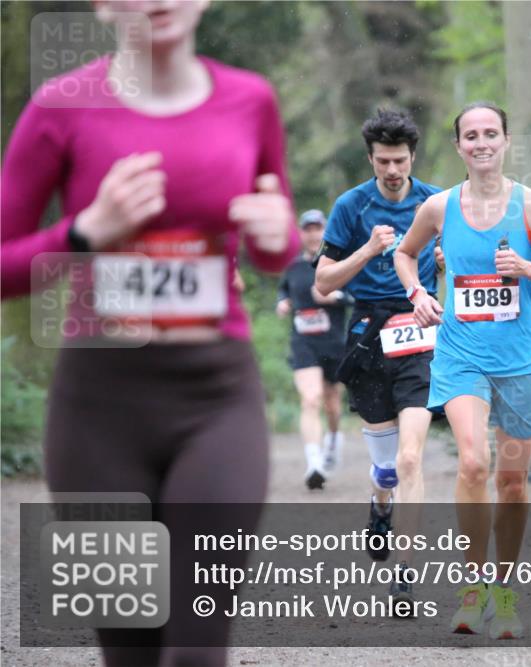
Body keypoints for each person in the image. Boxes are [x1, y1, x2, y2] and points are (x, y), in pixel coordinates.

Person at [0, 2, 298, 665]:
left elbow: (274, 240)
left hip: (216, 400)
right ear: (104, 5)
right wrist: (80, 232)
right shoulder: (59, 108)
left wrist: (276, 240)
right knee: (130, 650)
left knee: (196, 644)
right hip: (97, 411)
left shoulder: (251, 100)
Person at [395, 102, 531, 639]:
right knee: (474, 464)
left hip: (519, 361)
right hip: (460, 357)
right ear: (458, 147)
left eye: (491, 134)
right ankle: (472, 588)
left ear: (505, 141)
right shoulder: (438, 207)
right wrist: (416, 293)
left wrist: (527, 268)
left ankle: (504, 591)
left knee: (513, 482)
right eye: (471, 136)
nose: (481, 143)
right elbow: (405, 256)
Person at [314, 109, 441, 607]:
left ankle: (406, 572)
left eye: (401, 160)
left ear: (413, 158)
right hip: (368, 334)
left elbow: (456, 252)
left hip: (417, 331)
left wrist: (447, 261)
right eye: (384, 161)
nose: (393, 170)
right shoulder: (351, 206)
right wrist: (366, 251)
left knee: (412, 457)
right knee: (386, 469)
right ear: (370, 158)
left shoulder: (434, 201)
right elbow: (324, 282)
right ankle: (379, 502)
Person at [277, 209, 352, 490]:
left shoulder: (339, 263)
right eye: (307, 229)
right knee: (310, 399)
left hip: (333, 343)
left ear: (325, 232)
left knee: (332, 404)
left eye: (317, 228)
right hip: (303, 341)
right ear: (301, 233)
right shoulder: (294, 267)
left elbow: (357, 297)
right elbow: (284, 290)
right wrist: (282, 302)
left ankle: (333, 441)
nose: (312, 234)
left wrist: (337, 296)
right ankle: (314, 463)